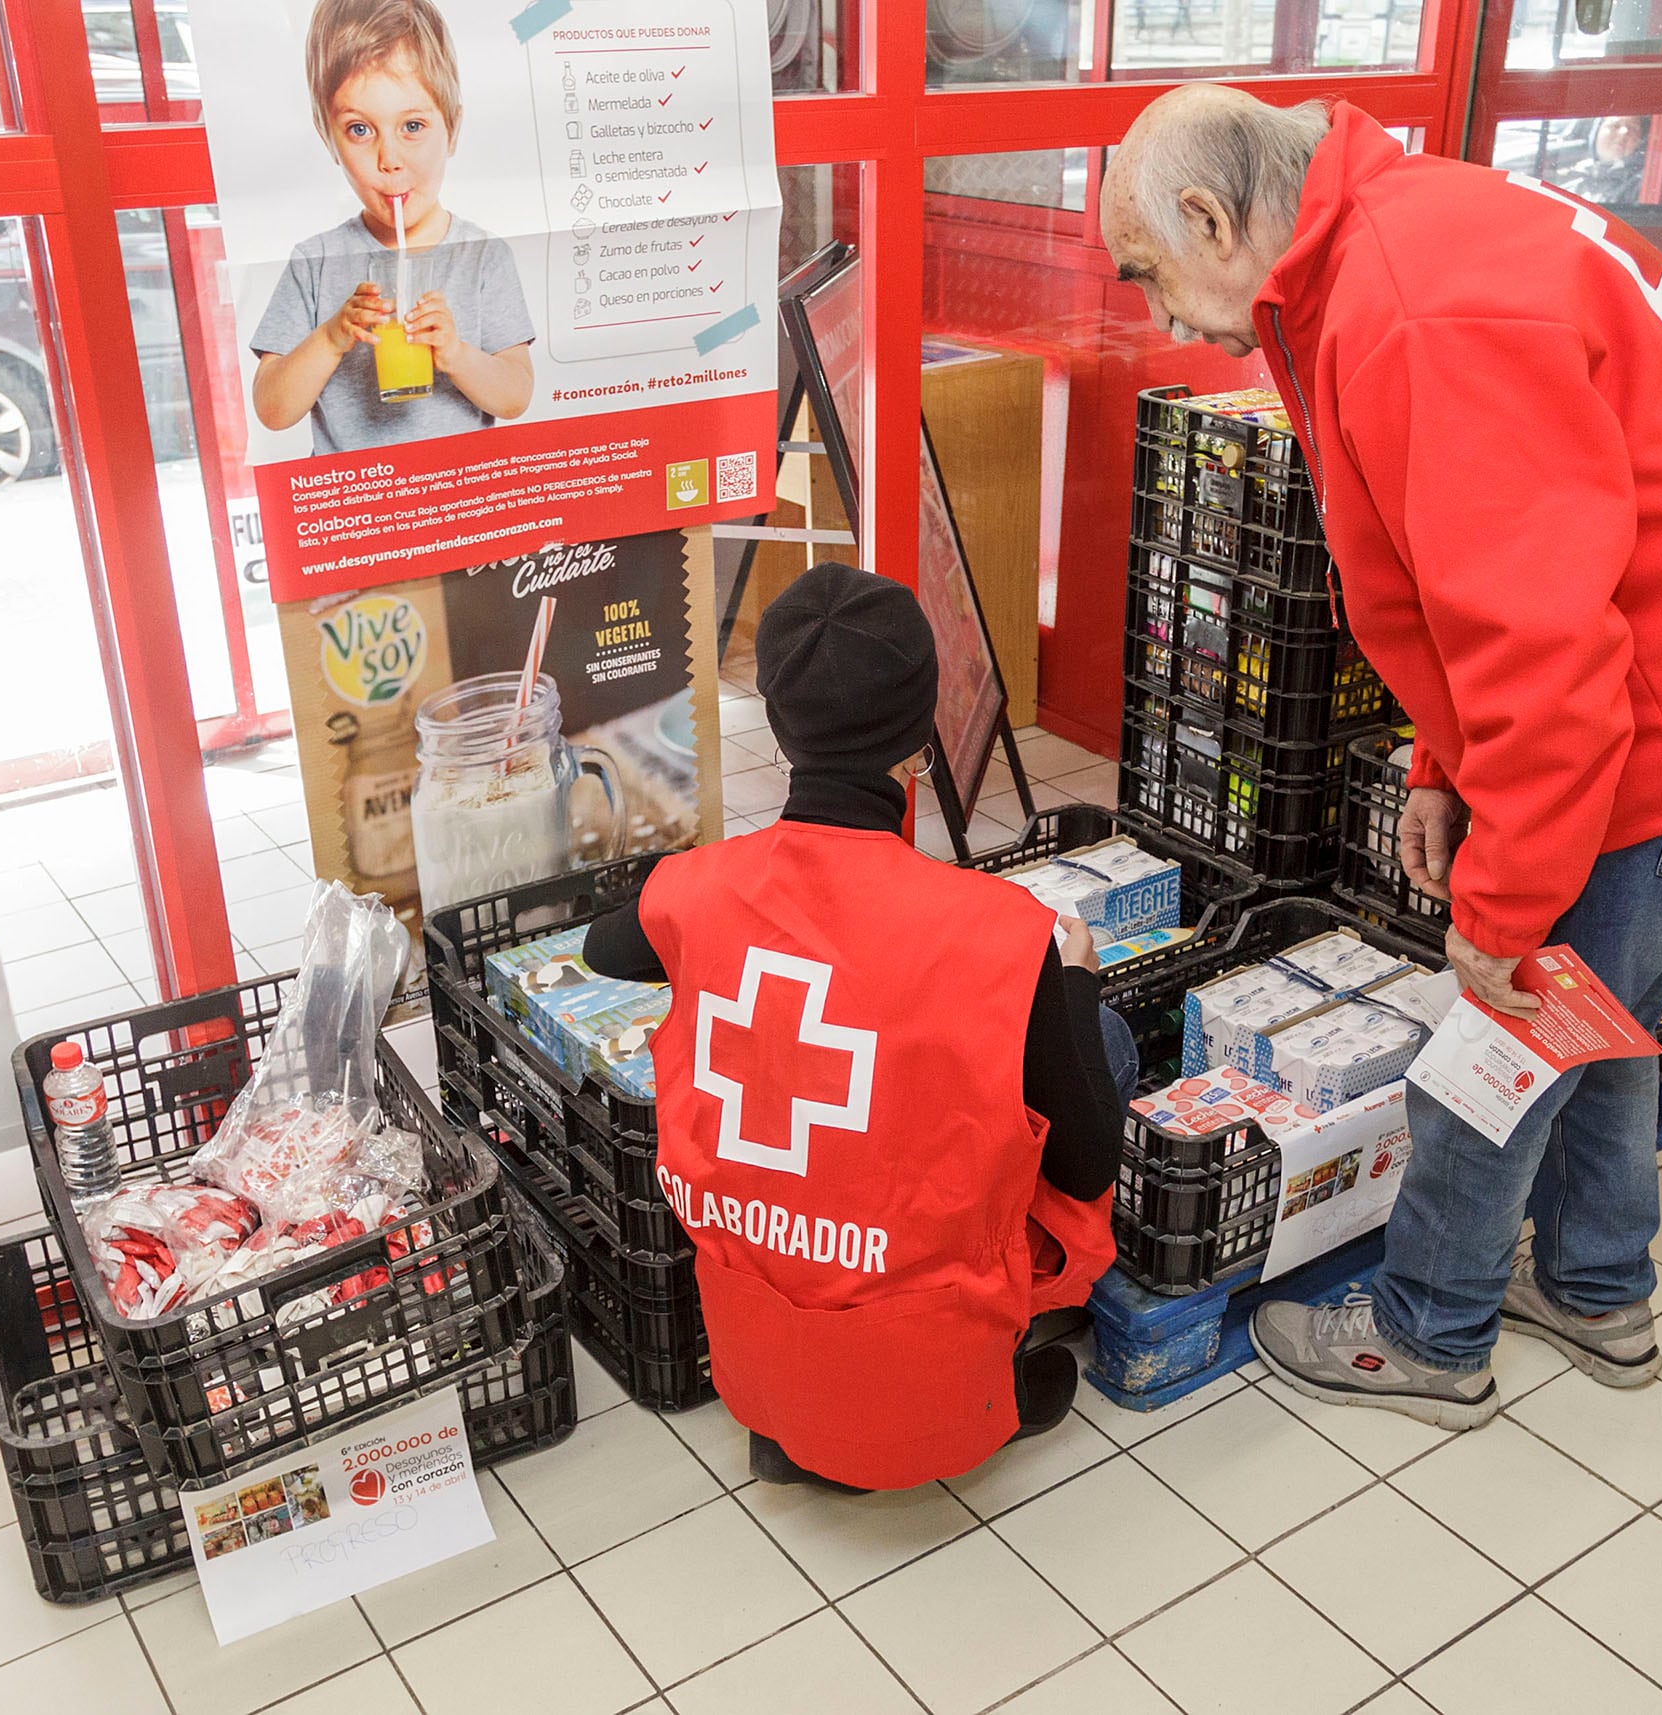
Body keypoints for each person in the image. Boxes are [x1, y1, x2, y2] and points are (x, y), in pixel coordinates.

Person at [1101, 88, 1662, 1428]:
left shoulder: (1415, 310)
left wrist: (1501, 908)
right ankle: (1596, 1286)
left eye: (1150, 273)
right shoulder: (1390, 237)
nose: (1160, 315)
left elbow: (1546, 661)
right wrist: (1439, 760)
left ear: (1206, 215)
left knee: (1512, 1020)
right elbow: (1474, 577)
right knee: (1598, 997)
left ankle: (1430, 1326)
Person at [583, 564, 1134, 1491]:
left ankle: (807, 1408)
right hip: (931, 1399)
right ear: (919, 739)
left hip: (756, 1366)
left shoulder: (697, 890)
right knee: (1098, 1042)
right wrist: (1071, 987)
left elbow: (608, 948)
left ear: (780, 726)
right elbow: (1088, 1165)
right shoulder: (999, 934)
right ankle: (989, 1372)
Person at [251, 0, 534, 452]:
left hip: (460, 497)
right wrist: (331, 336)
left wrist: (456, 354)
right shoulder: (314, 262)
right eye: (360, 130)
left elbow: (515, 396)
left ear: (453, 128)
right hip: (358, 503)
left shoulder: (483, 255)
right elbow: (273, 409)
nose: (389, 160)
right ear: (328, 138)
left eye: (413, 125)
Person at [1560, 115, 1650, 206]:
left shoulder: (1642, 185)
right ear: (1596, 133)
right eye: (1615, 125)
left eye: (1633, 129)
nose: (1624, 132)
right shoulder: (1572, 185)